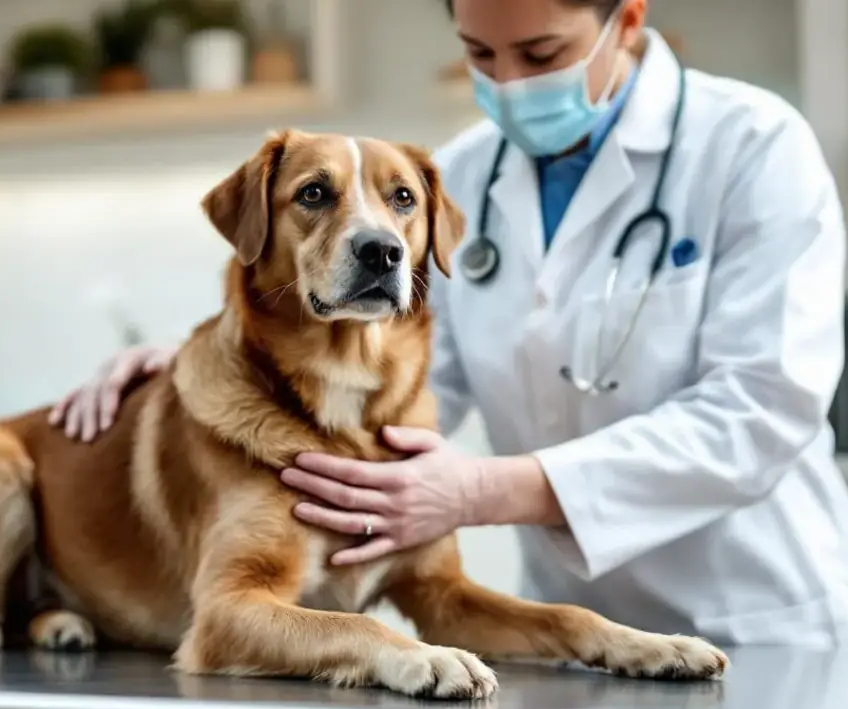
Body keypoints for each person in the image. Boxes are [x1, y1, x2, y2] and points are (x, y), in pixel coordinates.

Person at [49, 0, 848, 646]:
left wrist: (481, 490)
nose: (509, 84)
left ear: (628, 22)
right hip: (565, 619)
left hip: (759, 615)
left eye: (539, 55)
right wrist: (212, 364)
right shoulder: (468, 167)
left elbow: (762, 408)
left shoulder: (753, 146)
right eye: (480, 55)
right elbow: (420, 373)